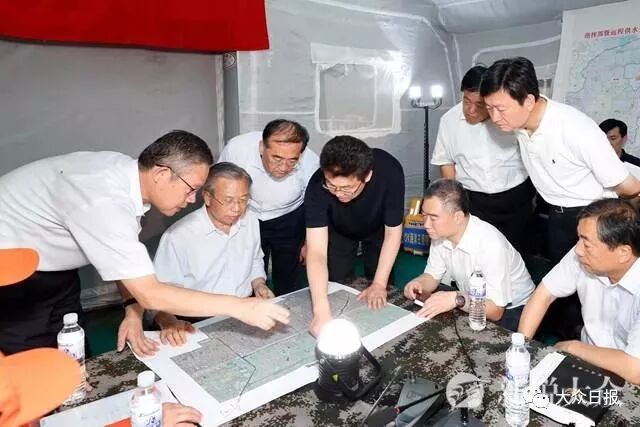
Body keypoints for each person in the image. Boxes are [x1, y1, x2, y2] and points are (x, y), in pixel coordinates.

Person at [0, 130, 289, 355]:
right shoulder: (104, 200)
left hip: (53, 267)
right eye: (192, 189)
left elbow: (119, 256)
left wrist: (131, 308)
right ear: (162, 173)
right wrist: (241, 307)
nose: (192, 200)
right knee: (30, 359)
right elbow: (151, 294)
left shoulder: (123, 176)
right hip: (12, 272)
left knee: (71, 344)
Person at [480, 57, 640, 264]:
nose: (494, 118)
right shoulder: (519, 124)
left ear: (529, 101)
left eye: (501, 109)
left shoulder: (575, 128)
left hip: (595, 218)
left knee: (596, 279)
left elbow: (629, 186)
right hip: (557, 214)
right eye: (489, 108)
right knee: (562, 277)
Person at [121, 162, 274, 355]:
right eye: (228, 200)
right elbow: (158, 292)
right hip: (197, 320)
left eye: (244, 200)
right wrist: (167, 319)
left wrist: (259, 284)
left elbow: (255, 258)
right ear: (207, 197)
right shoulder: (179, 236)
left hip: (246, 311)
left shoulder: (250, 220)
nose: (237, 208)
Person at [519, 199, 640, 384]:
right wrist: (520, 347)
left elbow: (635, 369)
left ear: (623, 253)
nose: (578, 250)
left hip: (628, 379)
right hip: (588, 362)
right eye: (579, 238)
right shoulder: (584, 256)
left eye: (587, 244)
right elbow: (543, 295)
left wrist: (574, 348)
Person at [305, 135, 405, 335]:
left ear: (367, 176)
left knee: (381, 286)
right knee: (336, 283)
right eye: (331, 185)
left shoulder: (389, 171)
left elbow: (393, 233)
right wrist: (320, 310)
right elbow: (316, 252)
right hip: (339, 230)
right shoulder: (317, 185)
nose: (338, 193)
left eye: (347, 188)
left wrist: (379, 283)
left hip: (378, 229)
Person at [403, 179, 534, 331]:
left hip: (514, 308)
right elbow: (432, 275)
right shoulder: (440, 233)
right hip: (471, 295)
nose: (426, 224)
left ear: (458, 217)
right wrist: (418, 284)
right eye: (424, 215)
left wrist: (456, 299)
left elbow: (496, 311)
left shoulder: (491, 245)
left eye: (433, 218)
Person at [431, 65, 533, 255]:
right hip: (472, 199)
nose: (470, 110)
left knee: (515, 253)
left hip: (514, 196)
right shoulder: (449, 120)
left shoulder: (508, 116)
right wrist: (453, 201)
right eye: (466, 101)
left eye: (478, 105)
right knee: (475, 253)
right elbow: (445, 161)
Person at [218, 120, 319, 296]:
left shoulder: (311, 162)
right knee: (247, 271)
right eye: (277, 158)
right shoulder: (237, 149)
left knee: (290, 277)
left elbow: (315, 205)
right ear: (261, 147)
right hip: (247, 215)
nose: (284, 167)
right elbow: (218, 184)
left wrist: (309, 243)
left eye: (292, 160)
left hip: (290, 218)